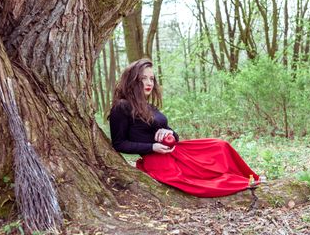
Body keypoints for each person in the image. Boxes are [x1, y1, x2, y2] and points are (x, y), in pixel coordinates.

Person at [109, 58, 259, 197]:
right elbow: (119, 144)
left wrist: (170, 133)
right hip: (157, 158)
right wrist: (152, 147)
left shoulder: (149, 106)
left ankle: (248, 177)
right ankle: (241, 183)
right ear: (132, 80)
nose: (149, 83)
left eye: (152, 79)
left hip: (175, 150)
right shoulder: (122, 107)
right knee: (193, 181)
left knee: (220, 146)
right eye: (143, 78)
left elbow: (172, 132)